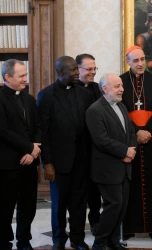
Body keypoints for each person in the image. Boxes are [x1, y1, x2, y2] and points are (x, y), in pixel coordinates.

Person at [37, 56, 93, 250]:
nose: (78, 73)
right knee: (59, 204)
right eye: (73, 70)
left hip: (81, 160)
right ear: (61, 73)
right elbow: (42, 131)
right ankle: (58, 239)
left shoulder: (84, 94)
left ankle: (78, 239)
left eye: (77, 69)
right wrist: (48, 163)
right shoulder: (46, 95)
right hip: (59, 162)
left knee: (79, 203)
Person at [0, 59, 42, 250]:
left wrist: (33, 151)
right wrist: (29, 147)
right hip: (8, 163)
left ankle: (24, 240)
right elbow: (2, 130)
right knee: (6, 206)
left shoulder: (29, 98)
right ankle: (4, 241)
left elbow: (37, 126)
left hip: (30, 160)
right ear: (8, 77)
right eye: (21, 76)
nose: (25, 79)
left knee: (28, 205)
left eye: (25, 75)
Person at [120, 46, 152, 240]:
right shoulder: (121, 81)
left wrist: (148, 131)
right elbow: (120, 111)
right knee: (129, 182)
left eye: (143, 59)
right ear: (128, 61)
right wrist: (136, 132)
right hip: (129, 137)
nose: (140, 64)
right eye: (135, 60)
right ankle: (130, 226)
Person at [86, 73, 137, 250]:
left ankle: (113, 242)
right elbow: (101, 140)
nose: (122, 89)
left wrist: (131, 150)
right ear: (105, 89)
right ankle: (99, 243)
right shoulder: (95, 110)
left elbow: (131, 131)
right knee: (113, 205)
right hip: (107, 168)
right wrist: (124, 151)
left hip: (125, 166)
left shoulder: (121, 106)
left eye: (121, 85)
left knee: (121, 207)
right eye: (117, 86)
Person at [75, 53, 102, 234]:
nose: (93, 72)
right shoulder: (71, 89)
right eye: (89, 69)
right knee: (78, 192)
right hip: (77, 150)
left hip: (96, 149)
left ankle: (95, 221)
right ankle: (76, 225)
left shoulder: (98, 89)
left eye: (94, 69)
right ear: (78, 69)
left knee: (95, 191)